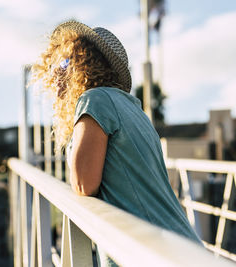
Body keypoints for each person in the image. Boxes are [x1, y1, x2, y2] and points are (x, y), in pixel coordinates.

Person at [32, 20, 202, 266]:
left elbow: (83, 183)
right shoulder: (131, 107)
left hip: (147, 252)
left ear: (83, 64)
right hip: (179, 247)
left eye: (64, 63)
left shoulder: (95, 100)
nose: (55, 75)